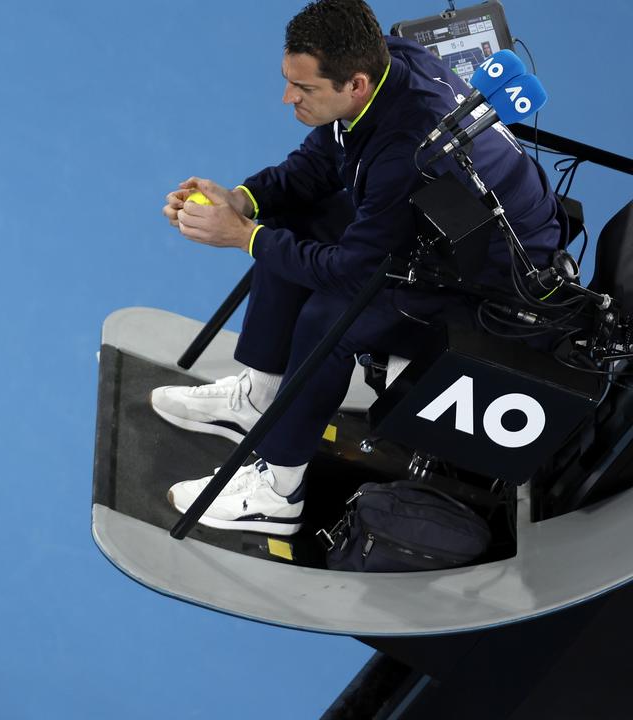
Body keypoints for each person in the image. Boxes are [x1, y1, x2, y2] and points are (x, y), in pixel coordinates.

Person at [153, 0, 560, 535]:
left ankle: (278, 491)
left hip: (494, 288)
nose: (287, 97)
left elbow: (351, 274)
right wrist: (245, 200)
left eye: (304, 89)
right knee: (289, 222)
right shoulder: (387, 59)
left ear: (356, 84)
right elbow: (320, 161)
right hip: (444, 227)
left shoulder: (406, 149)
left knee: (331, 315)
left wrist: (243, 237)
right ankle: (260, 400)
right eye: (287, 80)